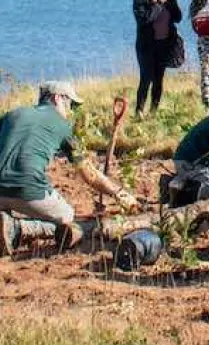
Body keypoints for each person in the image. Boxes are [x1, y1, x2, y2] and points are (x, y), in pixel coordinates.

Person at [0, 81, 139, 256]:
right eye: (70, 104)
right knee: (67, 217)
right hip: (27, 189)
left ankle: (7, 220)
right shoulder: (63, 127)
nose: (71, 111)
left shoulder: (13, 114)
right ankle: (21, 229)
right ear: (56, 98)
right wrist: (119, 193)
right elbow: (90, 174)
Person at [133, 0, 183, 116]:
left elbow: (178, 18)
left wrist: (172, 1)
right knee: (146, 78)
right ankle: (139, 111)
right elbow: (145, 19)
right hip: (146, 46)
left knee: (158, 80)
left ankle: (153, 111)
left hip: (163, 45)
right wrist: (158, 2)